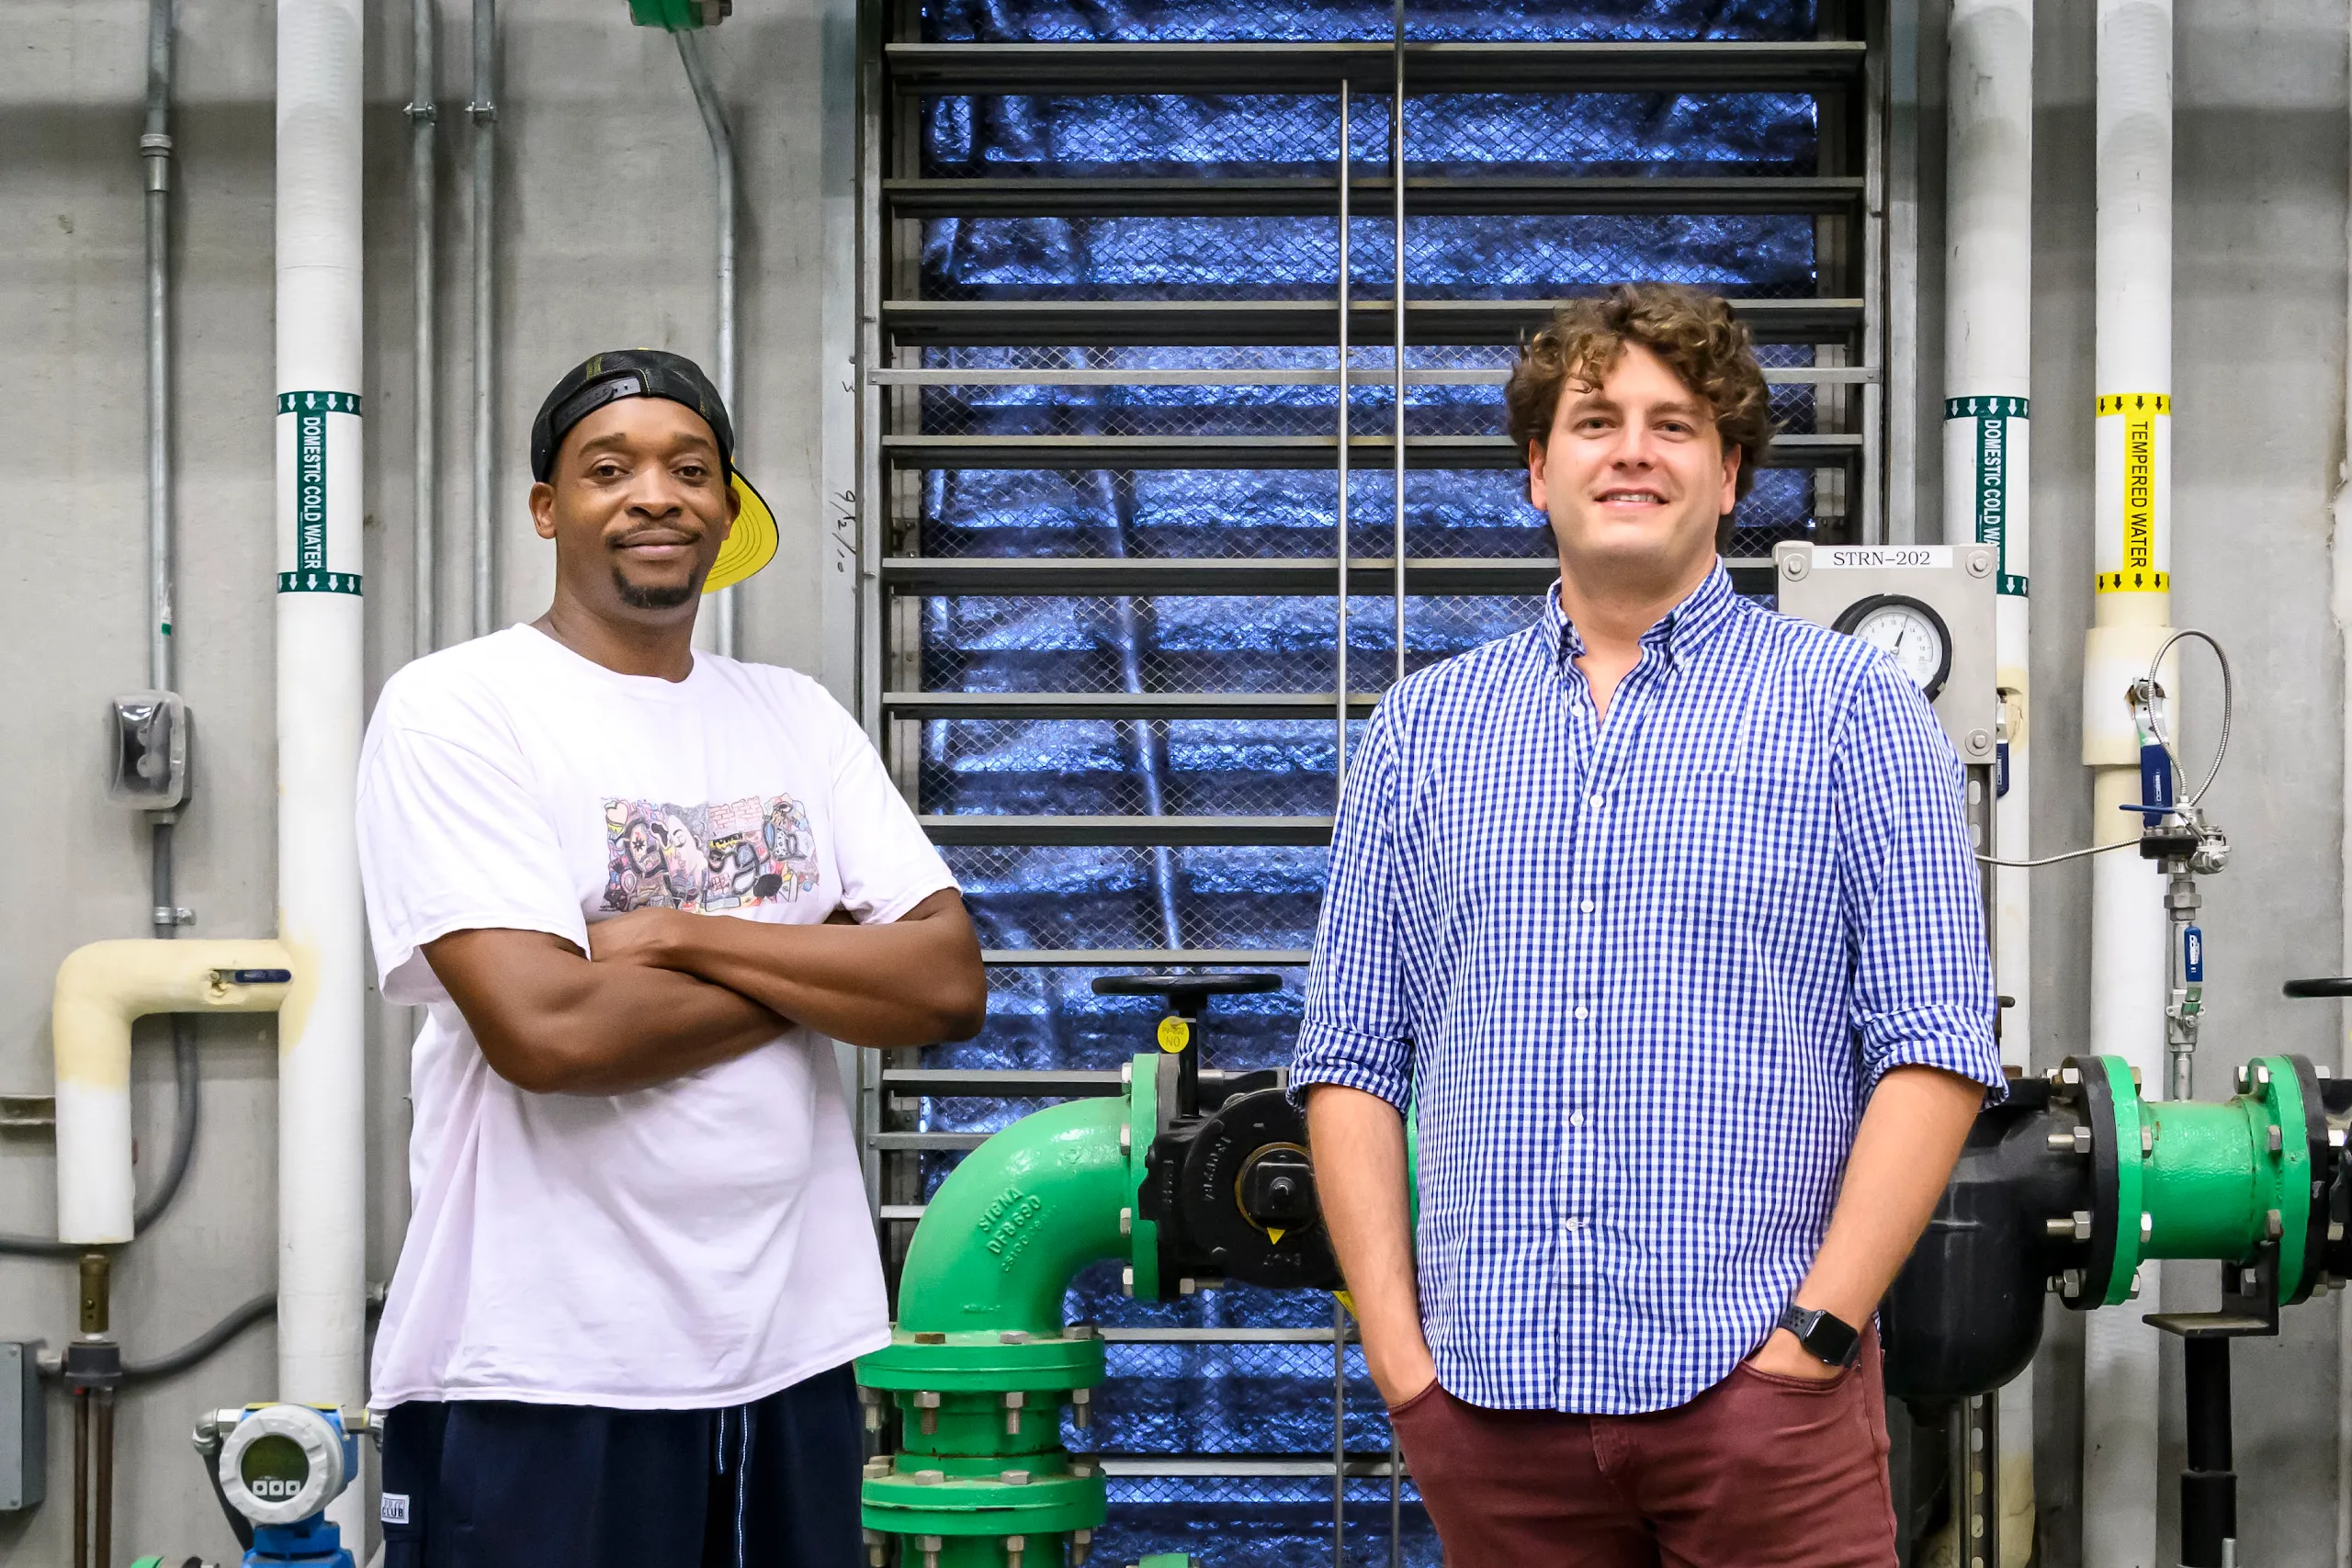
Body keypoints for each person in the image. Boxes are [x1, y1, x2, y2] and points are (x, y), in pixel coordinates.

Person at [1290, 284, 2001, 1566]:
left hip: (1757, 1402)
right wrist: (1402, 1363)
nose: (1632, 449)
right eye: (1594, 420)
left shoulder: (1854, 715)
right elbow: (1348, 1059)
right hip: (1493, 1410)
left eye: (1675, 425)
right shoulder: (1423, 732)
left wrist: (1816, 1341)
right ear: (1535, 471)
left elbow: (1936, 1045)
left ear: (1730, 477)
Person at [357, 349, 988, 1568]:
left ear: (727, 506)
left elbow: (945, 982)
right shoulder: (456, 709)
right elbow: (552, 1033)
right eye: (612, 468)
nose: (657, 494)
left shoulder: (796, 712)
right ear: (551, 508)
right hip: (538, 1360)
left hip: (789, 1349)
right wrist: (819, 963)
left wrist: (676, 933)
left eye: (691, 468)